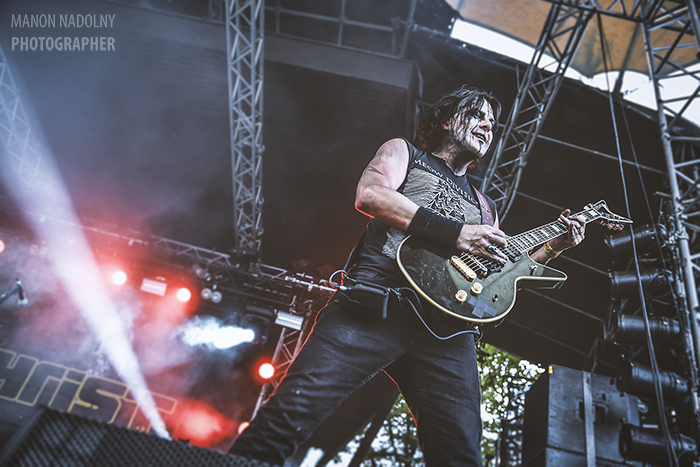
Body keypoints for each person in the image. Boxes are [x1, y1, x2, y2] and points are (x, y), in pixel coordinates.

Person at [228, 85, 586, 466]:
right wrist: (455, 233)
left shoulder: (486, 206)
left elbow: (496, 276)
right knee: (288, 416)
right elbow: (370, 194)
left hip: (447, 335)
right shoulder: (405, 153)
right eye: (477, 115)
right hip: (374, 305)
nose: (488, 125)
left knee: (460, 457)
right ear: (448, 120)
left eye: (492, 123)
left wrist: (555, 247)